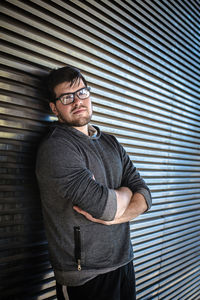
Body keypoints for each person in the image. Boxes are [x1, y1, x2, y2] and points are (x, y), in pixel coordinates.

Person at [36, 65, 152, 300]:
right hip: (85, 277)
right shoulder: (56, 148)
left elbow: (146, 196)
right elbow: (104, 207)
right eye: (67, 97)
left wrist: (117, 215)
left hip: (124, 263)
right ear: (54, 107)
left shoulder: (111, 142)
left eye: (82, 93)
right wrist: (126, 193)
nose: (77, 101)